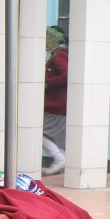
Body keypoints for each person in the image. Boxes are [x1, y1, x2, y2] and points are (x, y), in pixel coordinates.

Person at [42, 26, 68, 176]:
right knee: (57, 136)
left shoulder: (58, 55)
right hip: (58, 104)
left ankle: (59, 158)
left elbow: (66, 76)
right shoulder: (61, 53)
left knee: (36, 130)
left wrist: (46, 82)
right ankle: (61, 159)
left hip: (55, 104)